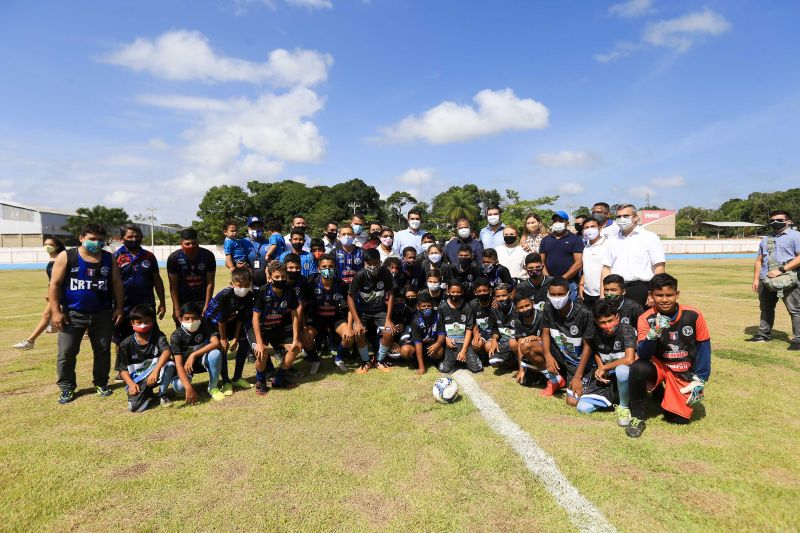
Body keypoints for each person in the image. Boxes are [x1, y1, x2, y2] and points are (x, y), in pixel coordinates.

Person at [627, 273, 711, 438]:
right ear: (651, 296)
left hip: (682, 369)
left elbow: (704, 347)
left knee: (677, 419)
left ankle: (667, 396)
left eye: (669, 295)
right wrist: (654, 334)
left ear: (677, 294)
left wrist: (700, 378)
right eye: (659, 295)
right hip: (659, 365)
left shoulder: (694, 315)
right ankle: (637, 416)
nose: (664, 299)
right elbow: (643, 354)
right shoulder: (646, 318)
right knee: (638, 368)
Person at [49, 223, 125, 404]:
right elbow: (54, 285)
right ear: (81, 238)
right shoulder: (67, 256)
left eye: (100, 240)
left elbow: (116, 284)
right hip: (72, 314)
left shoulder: (108, 258)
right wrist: (55, 312)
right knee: (66, 352)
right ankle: (67, 387)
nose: (96, 243)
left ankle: (101, 382)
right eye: (92, 239)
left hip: (103, 313)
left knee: (102, 350)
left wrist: (119, 308)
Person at [109, 223, 167, 383]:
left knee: (150, 336)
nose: (134, 239)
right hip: (123, 306)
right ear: (122, 239)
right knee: (120, 339)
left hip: (146, 305)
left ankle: (149, 366)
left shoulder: (149, 256)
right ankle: (122, 369)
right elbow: (112, 283)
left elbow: (157, 279)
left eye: (137, 236)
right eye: (129, 237)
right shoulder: (115, 257)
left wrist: (162, 301)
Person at [576, 299, 637, 426]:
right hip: (607, 377)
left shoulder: (626, 329)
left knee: (622, 370)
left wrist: (604, 367)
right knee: (583, 407)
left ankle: (624, 406)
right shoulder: (594, 331)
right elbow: (596, 351)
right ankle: (617, 396)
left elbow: (629, 359)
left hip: (628, 376)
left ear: (617, 317)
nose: (607, 326)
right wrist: (600, 366)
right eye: (602, 323)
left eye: (610, 320)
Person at [748, 210, 800, 349]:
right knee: (766, 309)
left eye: (779, 219)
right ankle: (764, 334)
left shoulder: (796, 236)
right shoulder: (765, 239)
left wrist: (782, 270)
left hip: (788, 279)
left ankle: (798, 339)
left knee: (795, 310)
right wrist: (756, 279)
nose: (775, 222)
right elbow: (759, 260)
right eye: (772, 220)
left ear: (788, 221)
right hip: (766, 280)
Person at [249, 262, 302, 395]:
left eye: (283, 276)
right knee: (262, 353)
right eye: (277, 277)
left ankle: (278, 379)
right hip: (259, 329)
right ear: (271, 277)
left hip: (276, 327)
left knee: (295, 348)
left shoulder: (289, 290)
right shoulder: (262, 291)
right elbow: (255, 318)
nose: (280, 280)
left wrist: (296, 339)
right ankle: (260, 382)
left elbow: (294, 315)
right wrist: (260, 343)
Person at [540, 277, 594, 404]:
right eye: (553, 294)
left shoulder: (584, 312)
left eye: (561, 294)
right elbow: (545, 332)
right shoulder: (548, 307)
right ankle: (555, 380)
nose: (557, 298)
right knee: (529, 346)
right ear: (548, 294)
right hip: (560, 354)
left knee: (572, 402)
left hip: (579, 362)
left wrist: (578, 376)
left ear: (569, 293)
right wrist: (547, 355)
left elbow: (588, 346)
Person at [601, 204, 666, 308]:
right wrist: (602, 295)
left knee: (639, 322)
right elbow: (606, 268)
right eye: (618, 216)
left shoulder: (650, 237)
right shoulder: (611, 240)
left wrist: (655, 293)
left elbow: (659, 267)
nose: (622, 219)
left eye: (626, 216)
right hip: (615, 289)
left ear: (635, 217)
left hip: (640, 289)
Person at [203, 267, 255, 395]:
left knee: (244, 343)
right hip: (214, 324)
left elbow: (241, 318)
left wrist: (236, 338)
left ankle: (237, 378)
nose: (243, 288)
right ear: (232, 284)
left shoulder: (249, 295)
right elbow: (221, 320)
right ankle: (226, 382)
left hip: (231, 321)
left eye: (247, 285)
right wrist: (223, 339)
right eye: (240, 285)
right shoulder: (225, 295)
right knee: (223, 349)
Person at [115, 304, 177, 411]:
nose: (143, 325)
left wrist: (155, 371)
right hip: (137, 379)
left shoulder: (157, 335)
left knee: (170, 364)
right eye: (139, 322)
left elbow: (167, 351)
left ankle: (162, 394)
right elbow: (122, 369)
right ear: (132, 323)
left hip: (156, 374)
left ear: (152, 322)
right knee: (135, 408)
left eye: (147, 322)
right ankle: (147, 393)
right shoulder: (125, 344)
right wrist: (131, 384)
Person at [347, 248, 395, 374]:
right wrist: (357, 322)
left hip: (380, 310)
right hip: (362, 312)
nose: (373, 267)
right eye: (370, 264)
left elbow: (391, 295)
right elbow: (350, 297)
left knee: (389, 331)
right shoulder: (360, 275)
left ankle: (380, 360)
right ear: (365, 264)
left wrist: (389, 319)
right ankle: (365, 361)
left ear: (380, 262)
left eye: (376, 263)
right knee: (359, 332)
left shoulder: (385, 273)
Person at [13, 237, 66, 350]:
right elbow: (51, 281)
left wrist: (54, 294)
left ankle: (30, 341)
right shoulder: (52, 259)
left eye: (50, 244)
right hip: (55, 292)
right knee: (49, 315)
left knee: (47, 315)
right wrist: (49, 293)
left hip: (61, 292)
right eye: (45, 244)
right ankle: (30, 341)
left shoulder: (60, 259)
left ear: (57, 246)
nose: (47, 246)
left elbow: (60, 280)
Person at [304, 254, 353, 373]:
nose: (328, 269)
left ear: (335, 268)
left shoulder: (341, 284)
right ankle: (315, 360)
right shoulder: (311, 284)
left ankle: (339, 358)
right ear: (319, 269)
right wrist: (304, 328)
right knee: (305, 338)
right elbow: (301, 308)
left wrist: (350, 327)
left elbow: (351, 307)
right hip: (316, 318)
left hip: (335, 317)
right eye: (324, 266)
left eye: (331, 266)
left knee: (349, 336)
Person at [170, 302, 225, 403]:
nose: (191, 321)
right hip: (185, 367)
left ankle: (213, 387)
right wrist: (188, 388)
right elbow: (178, 364)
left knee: (216, 353)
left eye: (194, 318)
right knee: (180, 388)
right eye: (187, 318)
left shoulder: (204, 323)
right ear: (180, 319)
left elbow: (216, 343)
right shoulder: (176, 336)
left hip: (200, 361)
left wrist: (193, 355)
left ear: (200, 317)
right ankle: (188, 386)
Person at [167, 228, 216, 323]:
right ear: (181, 243)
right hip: (183, 301)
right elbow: (173, 286)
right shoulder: (174, 258)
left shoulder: (208, 256)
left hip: (201, 299)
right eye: (187, 244)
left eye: (194, 243)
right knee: (184, 330)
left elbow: (210, 282)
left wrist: (207, 305)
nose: (191, 246)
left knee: (204, 329)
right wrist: (176, 308)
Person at [437, 281, 481, 374]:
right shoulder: (442, 307)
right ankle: (452, 359)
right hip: (449, 343)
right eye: (453, 292)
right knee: (445, 369)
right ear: (448, 291)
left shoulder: (467, 307)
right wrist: (446, 338)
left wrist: (464, 350)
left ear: (462, 292)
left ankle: (462, 357)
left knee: (476, 368)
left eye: (458, 292)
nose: (455, 294)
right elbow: (439, 328)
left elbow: (469, 330)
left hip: (464, 342)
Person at [539, 211, 584, 302]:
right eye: (555, 221)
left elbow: (579, 263)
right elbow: (541, 262)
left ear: (566, 223)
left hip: (569, 283)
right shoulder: (545, 240)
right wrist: (548, 278)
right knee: (550, 309)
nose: (557, 222)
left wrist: (563, 278)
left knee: (569, 311)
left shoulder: (575, 239)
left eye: (560, 220)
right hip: (550, 283)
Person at [398, 291, 445, 374]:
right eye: (423, 306)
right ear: (418, 307)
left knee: (439, 350)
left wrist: (437, 344)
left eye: (429, 306)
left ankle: (431, 360)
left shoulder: (438, 315)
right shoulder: (415, 320)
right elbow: (418, 343)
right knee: (405, 350)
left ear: (433, 306)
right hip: (417, 345)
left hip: (431, 343)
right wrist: (421, 367)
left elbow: (442, 334)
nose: (426, 308)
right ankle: (418, 361)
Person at [513, 293, 546, 386]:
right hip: (530, 351)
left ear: (533, 303)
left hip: (548, 350)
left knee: (527, 345)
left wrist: (536, 338)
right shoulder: (518, 320)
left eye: (527, 305)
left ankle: (550, 374)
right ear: (516, 309)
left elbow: (550, 340)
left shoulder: (542, 316)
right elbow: (520, 344)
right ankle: (538, 372)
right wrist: (521, 369)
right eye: (521, 307)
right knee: (524, 382)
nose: (525, 309)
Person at [485, 283, 519, 369]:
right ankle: (510, 363)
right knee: (489, 346)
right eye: (498, 296)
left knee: (513, 343)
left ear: (510, 295)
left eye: (504, 295)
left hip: (516, 340)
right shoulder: (494, 308)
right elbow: (495, 328)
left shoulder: (517, 308)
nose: (501, 299)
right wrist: (494, 340)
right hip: (503, 339)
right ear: (494, 297)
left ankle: (519, 363)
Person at [578, 217, 609, 308]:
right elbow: (587, 268)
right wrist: (581, 284)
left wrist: (603, 295)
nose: (589, 229)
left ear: (600, 228)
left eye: (592, 226)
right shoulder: (586, 247)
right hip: (587, 293)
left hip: (602, 294)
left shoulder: (607, 245)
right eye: (586, 227)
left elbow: (607, 270)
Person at [469, 278, 494, 361]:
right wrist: (476, 334)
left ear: (490, 290)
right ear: (475, 292)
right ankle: (483, 358)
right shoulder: (472, 304)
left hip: (494, 334)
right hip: (481, 333)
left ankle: (493, 357)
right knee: (476, 344)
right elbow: (472, 322)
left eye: (485, 290)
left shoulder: (495, 303)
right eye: (479, 291)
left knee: (488, 346)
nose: (482, 293)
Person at [245, 216, 272, 288]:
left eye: (259, 226)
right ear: (248, 228)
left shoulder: (270, 243)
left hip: (266, 284)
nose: (256, 229)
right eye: (253, 226)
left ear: (263, 227)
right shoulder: (242, 242)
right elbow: (228, 261)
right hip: (247, 285)